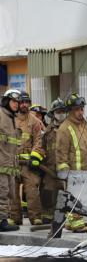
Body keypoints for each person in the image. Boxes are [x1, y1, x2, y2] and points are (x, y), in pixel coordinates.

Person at [56, 93, 87, 232]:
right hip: (73, 171)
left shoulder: (84, 125)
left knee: (82, 197)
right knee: (74, 197)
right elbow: (61, 153)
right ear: (71, 110)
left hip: (86, 169)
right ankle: (76, 223)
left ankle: (70, 221)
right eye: (77, 109)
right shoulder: (64, 128)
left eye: (82, 109)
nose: (81, 112)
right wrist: (65, 172)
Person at [10, 91, 45, 226]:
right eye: (22, 102)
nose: (24, 105)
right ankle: (15, 218)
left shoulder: (35, 122)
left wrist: (35, 156)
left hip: (29, 163)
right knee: (12, 191)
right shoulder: (10, 120)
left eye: (27, 102)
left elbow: (39, 141)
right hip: (12, 162)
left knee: (32, 190)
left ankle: (35, 217)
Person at [40, 99, 67, 224]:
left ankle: (65, 216)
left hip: (66, 167)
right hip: (50, 167)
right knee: (47, 192)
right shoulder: (47, 131)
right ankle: (47, 216)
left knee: (65, 193)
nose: (60, 113)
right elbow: (42, 147)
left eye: (63, 111)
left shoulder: (69, 128)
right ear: (53, 113)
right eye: (58, 111)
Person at [0, 90, 22, 231]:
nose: (16, 104)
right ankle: (2, 221)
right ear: (7, 101)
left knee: (9, 193)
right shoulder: (1, 115)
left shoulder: (12, 118)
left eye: (17, 102)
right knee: (2, 191)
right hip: (1, 163)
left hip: (10, 164)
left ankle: (4, 219)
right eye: (13, 101)